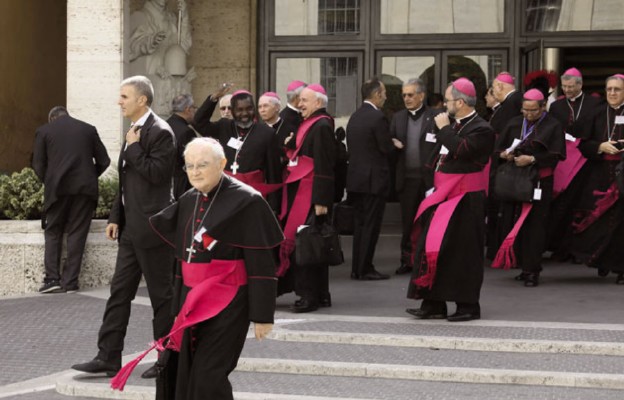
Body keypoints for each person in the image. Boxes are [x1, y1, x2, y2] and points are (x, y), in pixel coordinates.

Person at [109, 137, 283, 399]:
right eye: (189, 166)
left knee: (209, 375)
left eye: (202, 165)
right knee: (187, 371)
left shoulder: (248, 201)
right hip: (192, 299)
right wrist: (176, 307)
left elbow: (261, 262)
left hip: (229, 300)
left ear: (222, 163)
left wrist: (262, 314)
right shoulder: (189, 199)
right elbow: (182, 259)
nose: (195, 172)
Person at [71, 75, 176, 379]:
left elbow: (157, 174)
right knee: (119, 293)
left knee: (162, 297)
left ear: (142, 100)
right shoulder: (134, 130)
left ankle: (167, 358)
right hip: (131, 230)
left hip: (154, 230)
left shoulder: (161, 132)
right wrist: (116, 216)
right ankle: (108, 356)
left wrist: (133, 148)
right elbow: (126, 181)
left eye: (124, 96)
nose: (119, 101)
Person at [406, 78, 494, 322]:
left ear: (461, 102)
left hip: (466, 200)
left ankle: (468, 305)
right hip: (443, 196)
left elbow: (462, 150)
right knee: (433, 247)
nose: (444, 105)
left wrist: (444, 129)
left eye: (447, 100)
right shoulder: (453, 125)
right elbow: (436, 156)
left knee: (462, 253)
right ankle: (433, 303)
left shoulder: (482, 128)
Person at [491, 89, 566, 287]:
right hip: (515, 181)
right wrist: (504, 155)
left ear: (543, 107)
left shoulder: (553, 125)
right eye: (525, 110)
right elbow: (498, 148)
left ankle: (533, 271)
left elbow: (557, 155)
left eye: (533, 110)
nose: (528, 114)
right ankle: (522, 266)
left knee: (535, 228)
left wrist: (533, 158)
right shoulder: (514, 122)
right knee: (514, 223)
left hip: (540, 182)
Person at [32, 106, 110, 293]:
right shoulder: (88, 129)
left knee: (52, 231)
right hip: (84, 190)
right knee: (77, 233)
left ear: (52, 118)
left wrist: (49, 180)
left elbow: (38, 164)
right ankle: (70, 283)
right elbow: (104, 161)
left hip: (57, 190)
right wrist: (89, 176)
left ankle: (52, 280)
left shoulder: (44, 131)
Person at [278, 83, 336, 313]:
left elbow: (324, 164)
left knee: (307, 246)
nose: (299, 104)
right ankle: (321, 294)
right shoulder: (312, 123)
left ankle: (308, 296)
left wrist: (322, 200)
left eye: (304, 100)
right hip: (305, 189)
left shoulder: (321, 125)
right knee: (315, 245)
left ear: (318, 103)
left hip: (311, 193)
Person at [569, 74, 624, 283]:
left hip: (622, 172)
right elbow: (584, 144)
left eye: (617, 89)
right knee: (599, 220)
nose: (612, 93)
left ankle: (620, 267)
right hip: (600, 173)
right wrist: (600, 146)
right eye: (609, 89)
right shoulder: (598, 113)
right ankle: (602, 259)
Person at [194, 86, 282, 212]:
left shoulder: (267, 133)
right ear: (233, 111)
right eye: (239, 110)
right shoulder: (224, 126)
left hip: (252, 194)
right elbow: (198, 122)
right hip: (225, 193)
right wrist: (213, 98)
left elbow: (274, 174)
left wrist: (273, 208)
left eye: (249, 109)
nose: (245, 113)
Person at [545, 68, 602, 259]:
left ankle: (579, 249)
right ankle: (560, 247)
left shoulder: (594, 104)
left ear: (580, 85)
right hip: (564, 162)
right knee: (562, 205)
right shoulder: (556, 107)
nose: (567, 90)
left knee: (582, 205)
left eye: (571, 86)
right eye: (564, 86)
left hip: (586, 162)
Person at [346, 77, 396, 281]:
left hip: (356, 180)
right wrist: (395, 144)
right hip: (373, 182)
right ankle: (365, 268)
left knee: (360, 226)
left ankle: (357, 267)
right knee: (371, 226)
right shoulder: (377, 118)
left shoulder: (355, 116)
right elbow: (385, 147)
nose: (385, 96)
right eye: (384, 93)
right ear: (376, 94)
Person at [391, 78, 442, 275]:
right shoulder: (398, 118)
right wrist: (392, 141)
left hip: (430, 180)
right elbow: (390, 142)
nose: (406, 98)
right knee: (408, 222)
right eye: (404, 95)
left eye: (410, 95)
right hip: (407, 179)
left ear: (421, 95)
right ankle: (407, 260)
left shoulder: (436, 116)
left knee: (430, 222)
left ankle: (428, 260)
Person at [128, 0, 194, 116]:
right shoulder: (140, 16)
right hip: (151, 81)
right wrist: (150, 41)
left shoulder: (172, 19)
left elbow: (183, 44)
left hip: (170, 85)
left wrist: (184, 17)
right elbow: (131, 47)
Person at [486, 72, 524, 260]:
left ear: (500, 87)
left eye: (493, 89)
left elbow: (513, 134)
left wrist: (506, 152)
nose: (493, 93)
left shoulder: (513, 103)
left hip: (508, 164)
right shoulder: (510, 103)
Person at [167, 93, 198, 199]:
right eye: (194, 107)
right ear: (188, 109)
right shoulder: (186, 132)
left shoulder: (164, 125)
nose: (195, 111)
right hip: (182, 187)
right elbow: (193, 160)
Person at [258, 91, 298, 163]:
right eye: (260, 107)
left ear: (277, 107)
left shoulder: (291, 130)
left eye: (266, 106)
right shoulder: (257, 130)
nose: (262, 110)